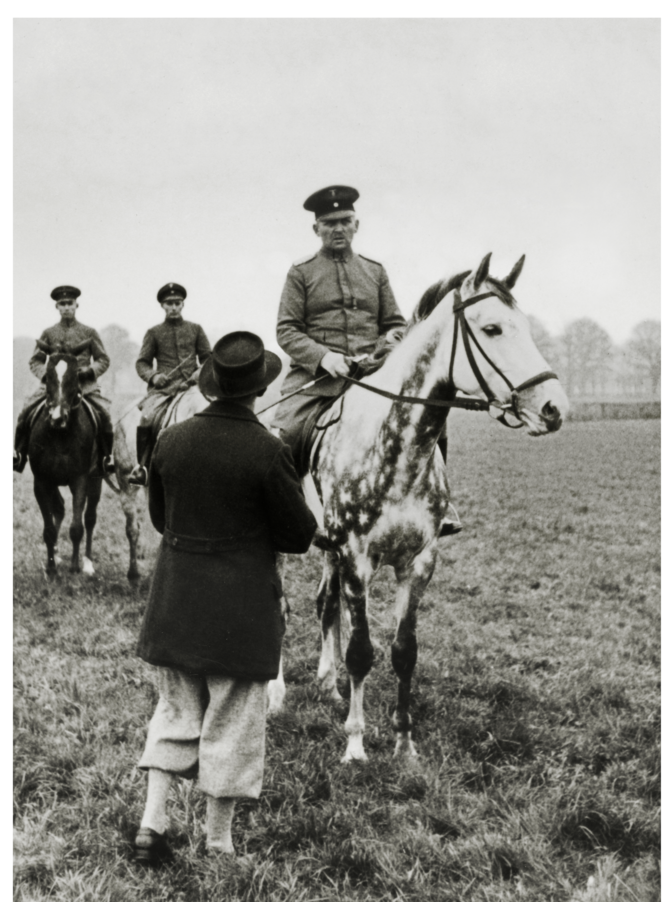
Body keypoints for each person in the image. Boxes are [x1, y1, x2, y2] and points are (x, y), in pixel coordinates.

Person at [134, 331, 317, 864]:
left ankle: (152, 824)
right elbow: (300, 535)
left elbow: (161, 520)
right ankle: (219, 844)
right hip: (240, 611)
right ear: (259, 389)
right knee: (232, 724)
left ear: (212, 385)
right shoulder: (269, 449)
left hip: (175, 603)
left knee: (174, 712)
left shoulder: (169, 441)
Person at [273, 185, 460, 534]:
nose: (338, 228)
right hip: (318, 380)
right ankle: (292, 509)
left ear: (357, 224)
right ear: (316, 229)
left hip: (375, 375)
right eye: (329, 223)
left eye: (345, 221)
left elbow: (394, 325)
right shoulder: (300, 272)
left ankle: (440, 503)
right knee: (286, 435)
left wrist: (387, 344)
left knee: (432, 415)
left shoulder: (375, 271)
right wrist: (324, 357)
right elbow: (286, 330)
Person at [13, 285, 115, 474]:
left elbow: (103, 359)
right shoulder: (48, 333)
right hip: (53, 387)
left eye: (70, 303)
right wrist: (47, 375)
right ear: (57, 307)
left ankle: (107, 458)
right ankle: (18, 454)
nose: (66, 307)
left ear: (77, 305)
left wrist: (89, 371)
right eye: (62, 304)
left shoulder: (89, 332)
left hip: (85, 387)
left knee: (105, 415)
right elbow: (35, 360)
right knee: (25, 411)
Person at [128, 282, 211, 486]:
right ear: (162, 306)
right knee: (146, 418)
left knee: (212, 411)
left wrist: (198, 375)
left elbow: (208, 359)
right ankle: (143, 467)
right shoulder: (154, 332)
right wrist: (154, 376)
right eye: (169, 303)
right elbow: (142, 363)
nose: (173, 307)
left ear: (183, 305)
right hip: (163, 390)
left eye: (177, 303)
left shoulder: (196, 329)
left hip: (192, 388)